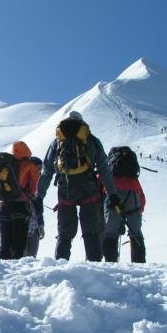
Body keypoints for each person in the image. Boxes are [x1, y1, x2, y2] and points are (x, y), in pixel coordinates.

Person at [36, 111, 118, 261]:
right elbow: (104, 169)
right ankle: (94, 267)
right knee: (91, 231)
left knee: (64, 234)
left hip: (65, 190)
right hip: (89, 190)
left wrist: (39, 195)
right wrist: (112, 194)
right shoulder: (91, 139)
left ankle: (60, 266)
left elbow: (47, 170)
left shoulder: (57, 141)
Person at [0, 141, 40, 259]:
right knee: (18, 244)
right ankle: (17, 271)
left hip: (3, 207)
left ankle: (1, 267)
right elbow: (33, 188)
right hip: (20, 207)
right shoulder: (30, 166)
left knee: (5, 243)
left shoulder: (6, 165)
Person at [102, 168, 146, 263]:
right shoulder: (132, 175)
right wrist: (139, 209)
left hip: (113, 194)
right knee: (136, 232)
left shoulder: (109, 167)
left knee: (110, 232)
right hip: (133, 194)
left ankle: (110, 262)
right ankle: (140, 263)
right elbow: (141, 196)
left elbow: (102, 180)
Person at [24, 156, 45, 257]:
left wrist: (40, 224)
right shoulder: (31, 185)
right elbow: (38, 208)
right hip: (30, 225)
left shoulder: (30, 183)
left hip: (28, 224)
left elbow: (38, 208)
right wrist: (40, 225)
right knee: (30, 256)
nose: (40, 171)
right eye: (38, 168)